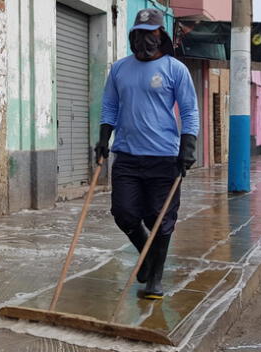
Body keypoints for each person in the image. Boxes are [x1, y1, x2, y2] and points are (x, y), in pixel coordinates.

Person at [95, 9, 199, 299]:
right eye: (139, 34)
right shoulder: (119, 69)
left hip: (164, 157)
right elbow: (109, 107)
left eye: (150, 34)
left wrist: (187, 146)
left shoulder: (175, 69)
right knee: (124, 213)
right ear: (133, 36)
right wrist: (103, 138)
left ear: (160, 36)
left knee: (160, 219)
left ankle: (155, 277)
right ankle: (146, 255)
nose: (144, 40)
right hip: (126, 155)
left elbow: (190, 110)